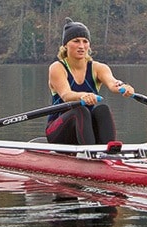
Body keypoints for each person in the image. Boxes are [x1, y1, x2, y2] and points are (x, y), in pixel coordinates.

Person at [46, 17, 135, 145]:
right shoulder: (57, 67)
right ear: (65, 45)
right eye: (76, 41)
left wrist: (123, 86)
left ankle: (108, 153)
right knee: (80, 110)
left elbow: (113, 83)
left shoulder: (99, 68)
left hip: (85, 132)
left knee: (102, 109)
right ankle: (89, 152)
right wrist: (83, 95)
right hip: (58, 132)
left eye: (85, 41)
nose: (81, 46)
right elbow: (66, 95)